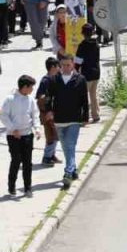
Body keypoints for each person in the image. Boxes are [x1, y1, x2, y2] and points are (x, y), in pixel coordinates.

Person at [47, 53, 90, 188]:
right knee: (66, 147)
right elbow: (49, 97)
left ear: (73, 65)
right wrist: (49, 110)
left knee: (70, 145)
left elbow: (84, 99)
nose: (66, 67)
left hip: (74, 119)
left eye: (68, 65)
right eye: (63, 65)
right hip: (59, 119)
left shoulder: (80, 79)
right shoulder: (54, 79)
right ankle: (74, 169)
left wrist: (85, 117)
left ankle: (68, 173)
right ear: (60, 65)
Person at [0, 75, 39, 198]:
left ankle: (28, 187)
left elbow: (34, 115)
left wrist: (37, 129)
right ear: (25, 87)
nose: (32, 89)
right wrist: (12, 129)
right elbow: (4, 116)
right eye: (31, 87)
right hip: (13, 136)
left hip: (27, 134)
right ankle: (12, 186)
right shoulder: (10, 99)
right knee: (16, 160)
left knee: (28, 162)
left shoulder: (31, 100)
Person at [36, 57, 61, 164]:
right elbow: (40, 96)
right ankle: (46, 157)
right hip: (47, 113)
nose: (59, 68)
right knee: (51, 135)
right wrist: (47, 111)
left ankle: (52, 155)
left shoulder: (56, 78)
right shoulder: (46, 80)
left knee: (55, 134)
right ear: (52, 67)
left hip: (55, 111)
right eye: (57, 66)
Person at [75, 24, 102, 123]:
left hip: (86, 74)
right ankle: (96, 115)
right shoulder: (96, 44)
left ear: (82, 33)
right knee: (93, 95)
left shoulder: (82, 46)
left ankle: (84, 117)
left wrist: (75, 71)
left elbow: (78, 61)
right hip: (96, 72)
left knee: (83, 96)